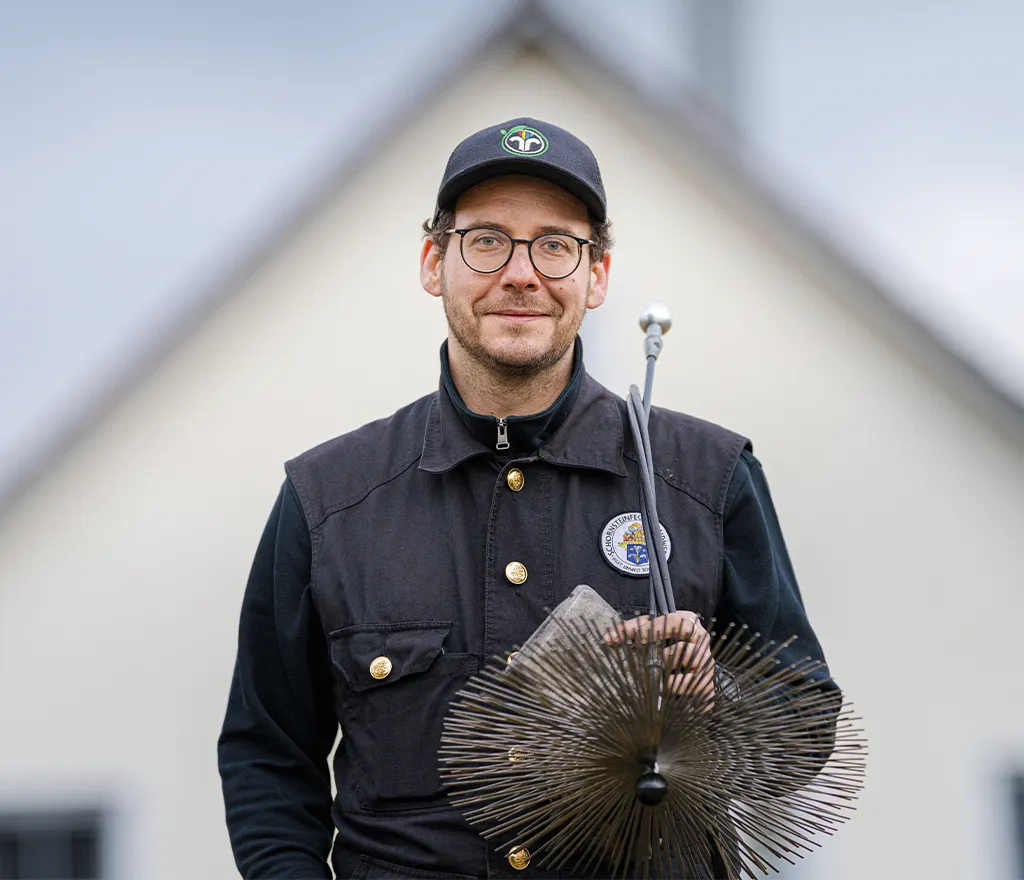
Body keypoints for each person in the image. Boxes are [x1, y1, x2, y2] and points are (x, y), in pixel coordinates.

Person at [218, 117, 836, 880]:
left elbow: (804, 737)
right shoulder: (326, 501)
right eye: (486, 241)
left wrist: (718, 693)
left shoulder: (707, 478)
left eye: (555, 244)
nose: (521, 274)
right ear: (432, 263)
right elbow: (269, 758)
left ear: (598, 275)